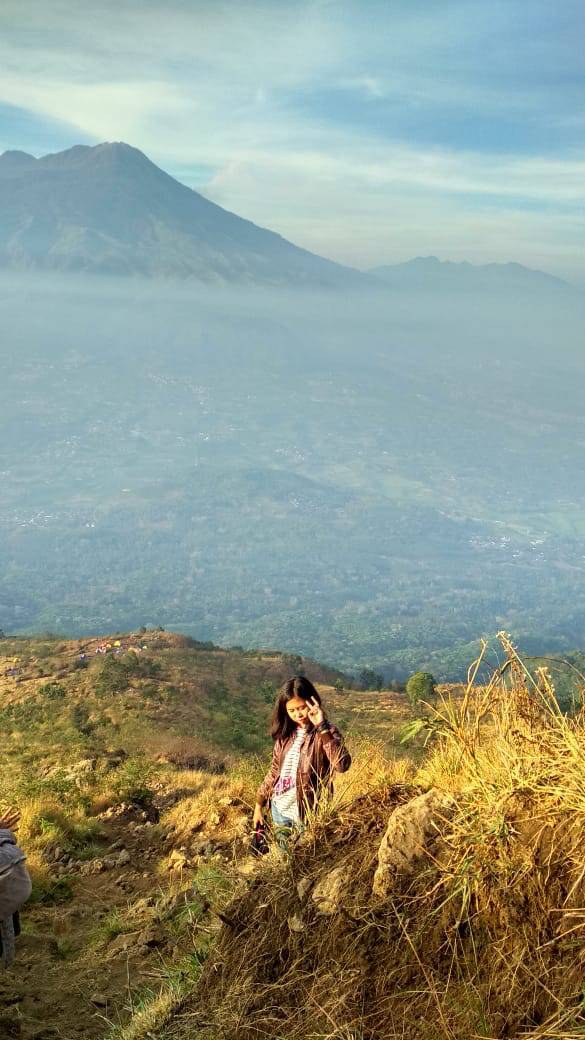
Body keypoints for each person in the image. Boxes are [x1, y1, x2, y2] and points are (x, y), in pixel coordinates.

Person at [253, 676, 351, 844]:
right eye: (292, 710)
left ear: (313, 702)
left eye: (302, 707)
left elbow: (342, 765)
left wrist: (322, 727)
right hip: (280, 809)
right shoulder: (285, 736)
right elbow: (274, 772)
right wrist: (258, 805)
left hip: (307, 813)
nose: (298, 714)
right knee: (284, 859)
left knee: (304, 860)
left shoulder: (326, 732)